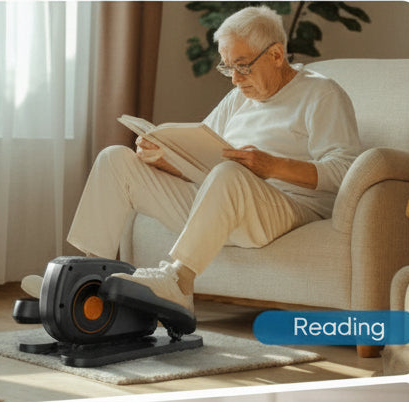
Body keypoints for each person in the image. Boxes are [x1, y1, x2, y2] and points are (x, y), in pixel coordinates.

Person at [26, 5, 361, 318]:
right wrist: (164, 159)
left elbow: (346, 170)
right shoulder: (238, 98)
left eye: (242, 65)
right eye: (227, 67)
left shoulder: (321, 94)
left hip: (288, 207)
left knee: (229, 172)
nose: (235, 79)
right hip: (225, 200)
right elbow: (203, 158)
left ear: (276, 54)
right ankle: (83, 281)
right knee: (116, 159)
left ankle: (178, 282)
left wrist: (271, 166)